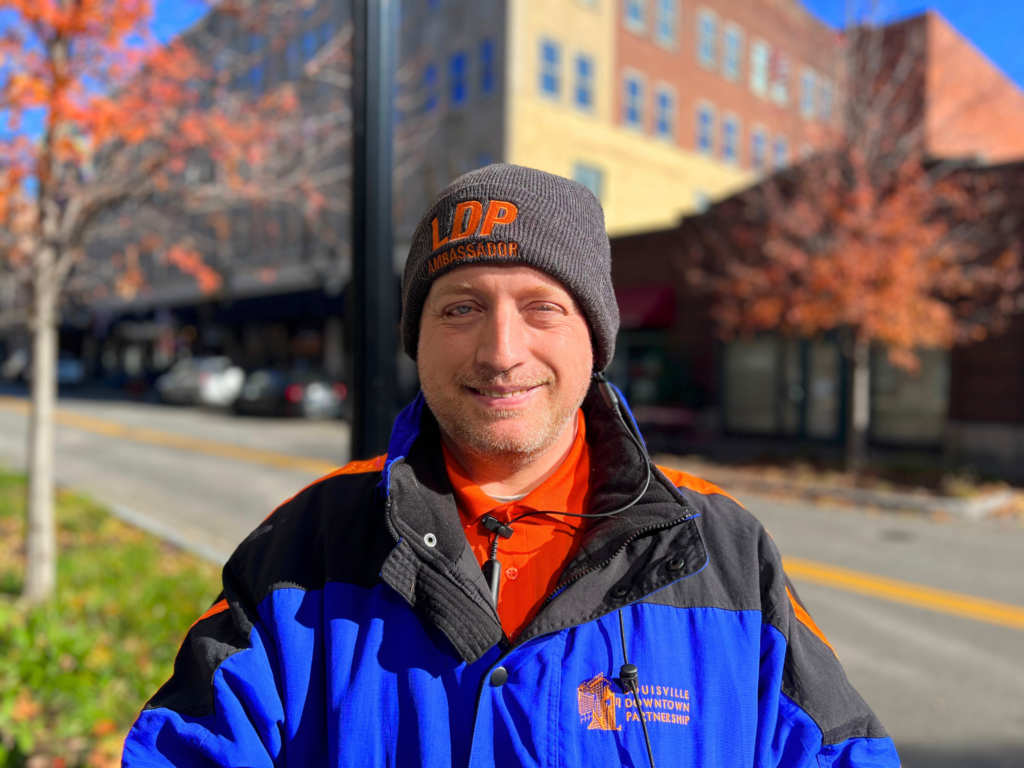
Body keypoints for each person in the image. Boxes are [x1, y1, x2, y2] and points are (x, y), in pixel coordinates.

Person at [123, 164, 899, 767]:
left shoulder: (722, 552)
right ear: (416, 338)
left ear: (593, 340)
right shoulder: (303, 549)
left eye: (542, 308)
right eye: (460, 307)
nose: (501, 351)